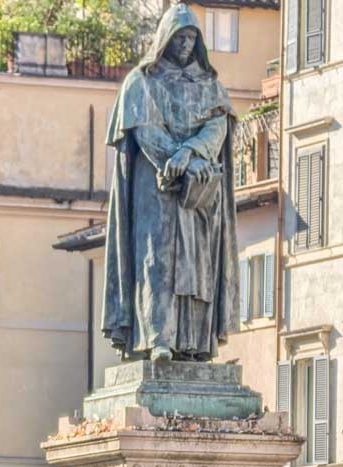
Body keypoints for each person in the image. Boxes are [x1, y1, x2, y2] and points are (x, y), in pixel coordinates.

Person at [102, 3, 239, 360]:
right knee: (156, 261)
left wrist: (191, 154)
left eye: (192, 37)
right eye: (180, 36)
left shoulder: (210, 85)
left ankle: (193, 344)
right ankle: (157, 338)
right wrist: (174, 160)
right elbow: (144, 129)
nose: (186, 44)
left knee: (197, 266)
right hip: (157, 186)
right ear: (165, 38)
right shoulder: (140, 82)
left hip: (198, 190)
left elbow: (218, 125)